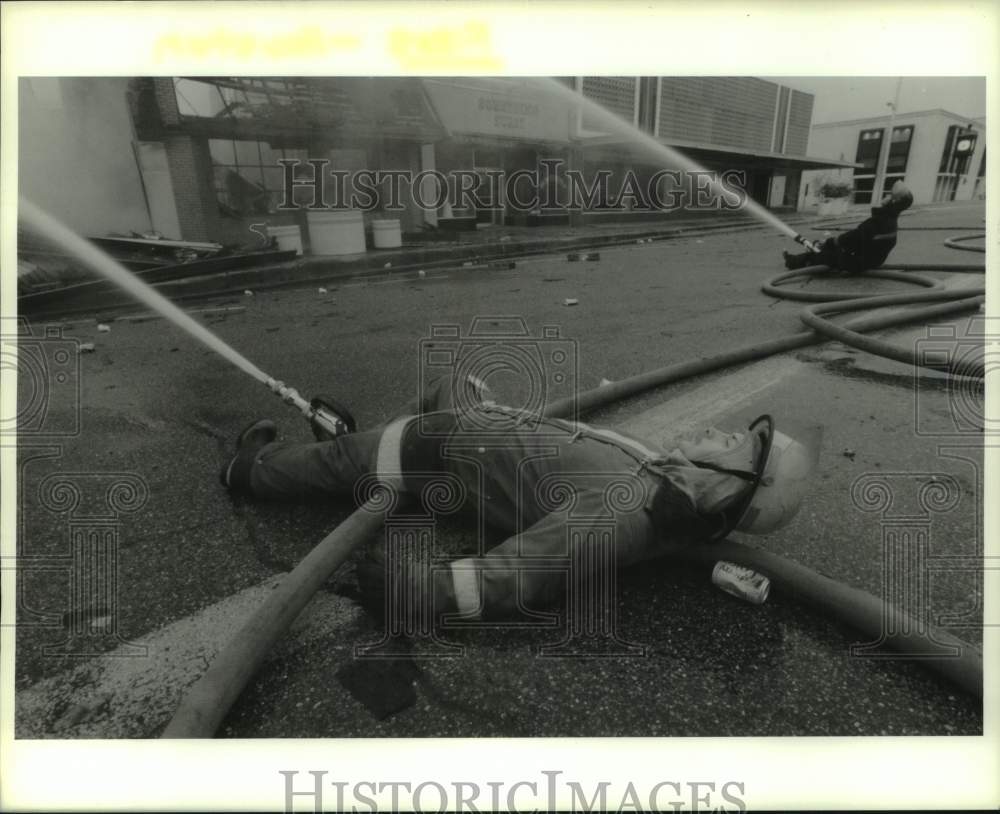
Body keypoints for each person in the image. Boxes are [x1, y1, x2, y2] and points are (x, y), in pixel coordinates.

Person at [221, 373, 813, 623]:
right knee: (450, 382)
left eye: (729, 442)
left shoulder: (622, 513)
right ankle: (362, 453)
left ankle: (247, 470)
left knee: (334, 462)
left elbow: (525, 573)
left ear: (732, 484)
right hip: (477, 428)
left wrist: (420, 591)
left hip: (440, 453)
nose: (716, 431)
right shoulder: (667, 478)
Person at [783, 180, 914, 273]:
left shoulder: (880, 221)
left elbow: (853, 238)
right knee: (831, 251)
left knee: (826, 256)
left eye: (889, 195)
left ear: (893, 202)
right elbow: (860, 240)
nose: (886, 196)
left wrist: (830, 243)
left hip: (860, 263)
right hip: (871, 261)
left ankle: (793, 261)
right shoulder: (889, 220)